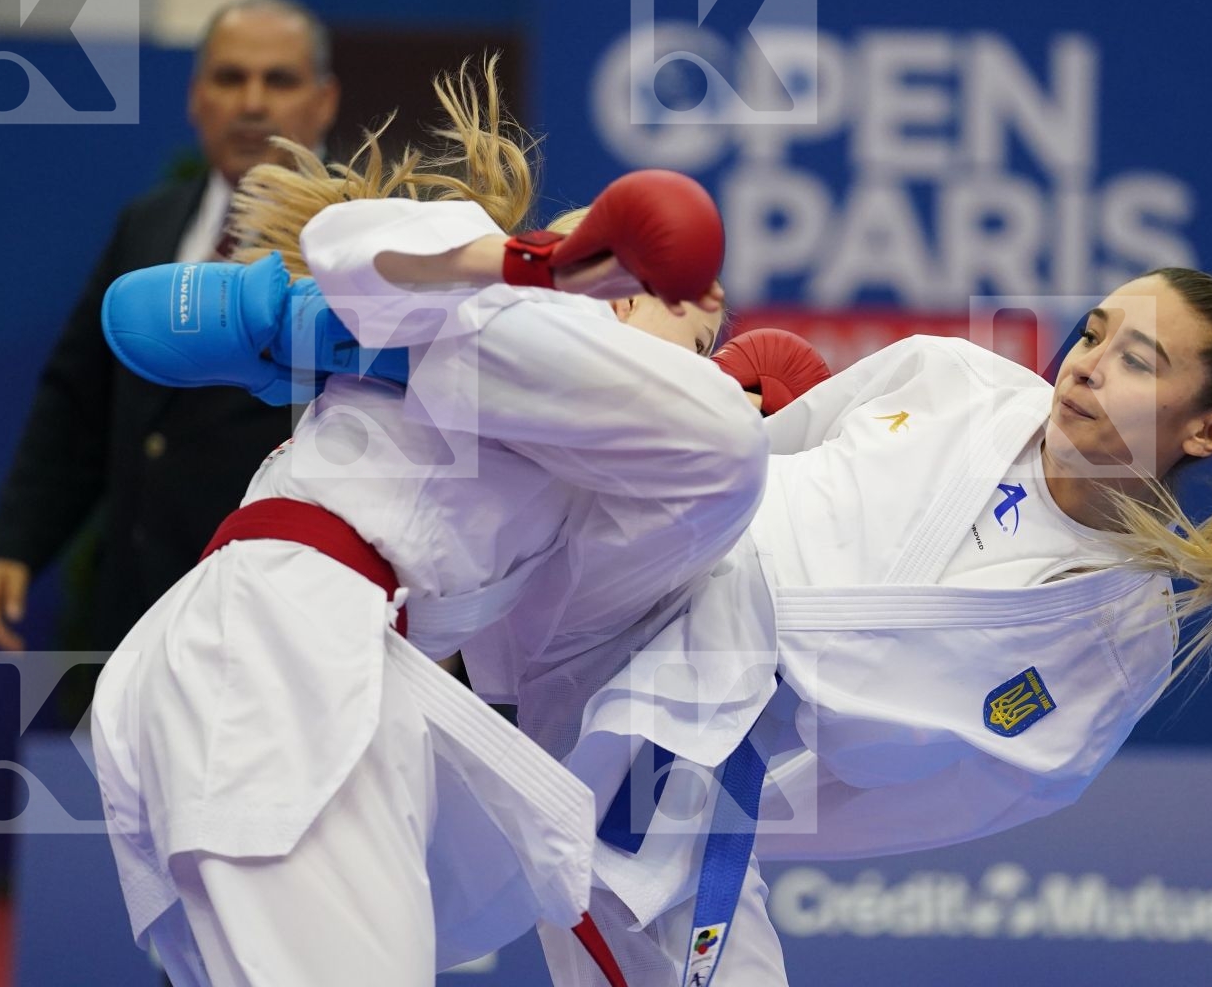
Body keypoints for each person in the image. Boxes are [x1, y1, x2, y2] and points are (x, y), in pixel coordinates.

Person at [101, 243, 1212, 986]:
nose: (1082, 361)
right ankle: (329, 326)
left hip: (696, 757)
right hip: (616, 581)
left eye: (1136, 360)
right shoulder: (953, 380)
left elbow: (945, 789)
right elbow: (737, 446)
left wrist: (750, 786)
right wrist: (729, 394)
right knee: (659, 417)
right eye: (1092, 331)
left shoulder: (1111, 633)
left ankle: (383, 336)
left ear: (1206, 432)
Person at [90, 60, 770, 986]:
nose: (698, 335)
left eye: (700, 343)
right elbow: (300, 260)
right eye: (646, 288)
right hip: (279, 651)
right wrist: (522, 271)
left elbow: (713, 453)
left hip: (334, 673)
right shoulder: (458, 282)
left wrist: (366, 347)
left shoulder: (602, 470)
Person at [0, 0, 339, 654]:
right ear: (197, 97)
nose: (252, 103)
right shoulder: (148, 224)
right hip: (141, 614)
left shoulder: (363, 242)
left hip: (294, 624)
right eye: (230, 78)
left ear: (324, 102)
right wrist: (19, 544)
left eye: (278, 80)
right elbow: (79, 399)